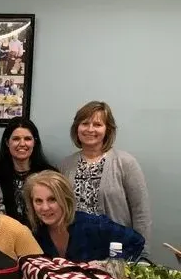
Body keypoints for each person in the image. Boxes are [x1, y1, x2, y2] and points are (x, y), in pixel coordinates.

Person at [60, 101, 152, 254]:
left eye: (97, 124)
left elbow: (141, 211)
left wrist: (143, 253)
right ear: (77, 128)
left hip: (117, 249)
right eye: (84, 123)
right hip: (77, 249)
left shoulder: (125, 163)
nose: (90, 129)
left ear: (107, 129)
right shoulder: (65, 165)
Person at [24, 170, 145, 262]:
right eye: (38, 201)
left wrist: (108, 265)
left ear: (66, 200)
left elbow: (136, 241)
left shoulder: (93, 225)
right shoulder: (34, 234)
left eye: (52, 199)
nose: (45, 207)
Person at [0, 117, 57, 227]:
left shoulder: (50, 174)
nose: (22, 144)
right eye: (16, 139)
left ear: (34, 142)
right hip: (8, 236)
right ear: (7, 142)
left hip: (43, 238)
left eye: (27, 139)